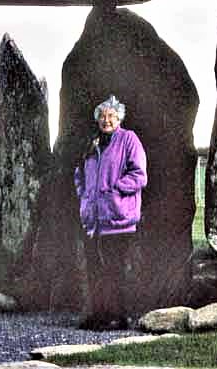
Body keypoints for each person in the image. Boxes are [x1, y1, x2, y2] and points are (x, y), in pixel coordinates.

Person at [74, 95, 147, 330]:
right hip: (94, 220)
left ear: (119, 118)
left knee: (114, 270)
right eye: (102, 116)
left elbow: (139, 175)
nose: (106, 120)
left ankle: (117, 317)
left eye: (111, 116)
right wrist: (84, 194)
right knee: (94, 269)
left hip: (118, 219)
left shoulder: (129, 140)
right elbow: (80, 173)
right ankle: (98, 315)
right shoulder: (92, 143)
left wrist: (115, 190)